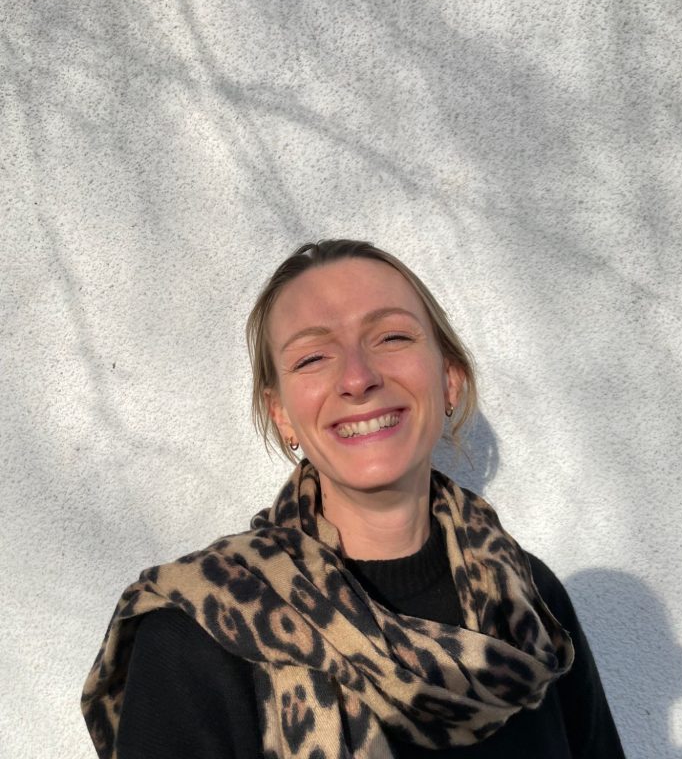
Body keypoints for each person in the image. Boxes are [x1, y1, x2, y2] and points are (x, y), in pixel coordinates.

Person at [82, 240, 625, 758]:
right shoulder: (198, 634)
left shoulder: (528, 601)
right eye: (313, 357)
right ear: (281, 414)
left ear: (449, 378)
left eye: (391, 337)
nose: (358, 378)